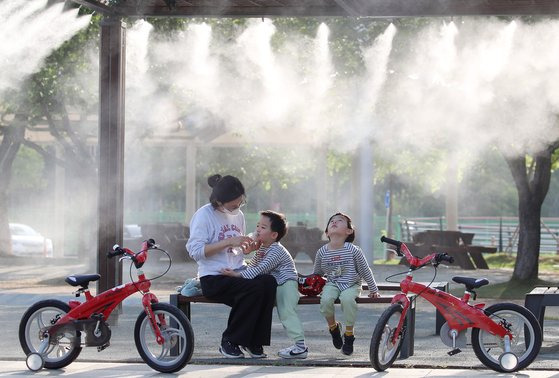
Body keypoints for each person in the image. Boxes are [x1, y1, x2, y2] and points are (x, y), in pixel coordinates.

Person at [186, 174, 277, 359]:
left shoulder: (239, 215)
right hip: (213, 277)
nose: (238, 208)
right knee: (254, 289)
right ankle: (230, 341)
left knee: (268, 282)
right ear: (219, 200)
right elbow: (195, 251)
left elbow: (237, 250)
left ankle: (254, 341)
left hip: (238, 272)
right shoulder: (204, 215)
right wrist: (228, 242)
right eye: (234, 205)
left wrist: (248, 248)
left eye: (241, 203)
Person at [221, 210, 308, 359]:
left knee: (286, 312)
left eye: (263, 227)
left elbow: (260, 269)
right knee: (256, 305)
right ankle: (250, 341)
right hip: (275, 285)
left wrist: (237, 274)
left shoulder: (276, 250)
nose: (257, 230)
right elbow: (253, 265)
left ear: (274, 235)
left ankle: (300, 346)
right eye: (257, 226)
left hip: (286, 284)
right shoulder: (263, 248)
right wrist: (247, 252)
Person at [312, 212, 380, 356]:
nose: (334, 222)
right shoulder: (321, 252)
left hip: (351, 284)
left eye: (340, 221)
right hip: (332, 284)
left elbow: (365, 270)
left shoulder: (353, 250)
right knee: (325, 300)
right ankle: (333, 328)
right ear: (327, 232)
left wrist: (373, 289)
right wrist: (313, 287)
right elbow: (317, 274)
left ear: (348, 231)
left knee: (348, 300)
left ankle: (349, 335)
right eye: (331, 221)